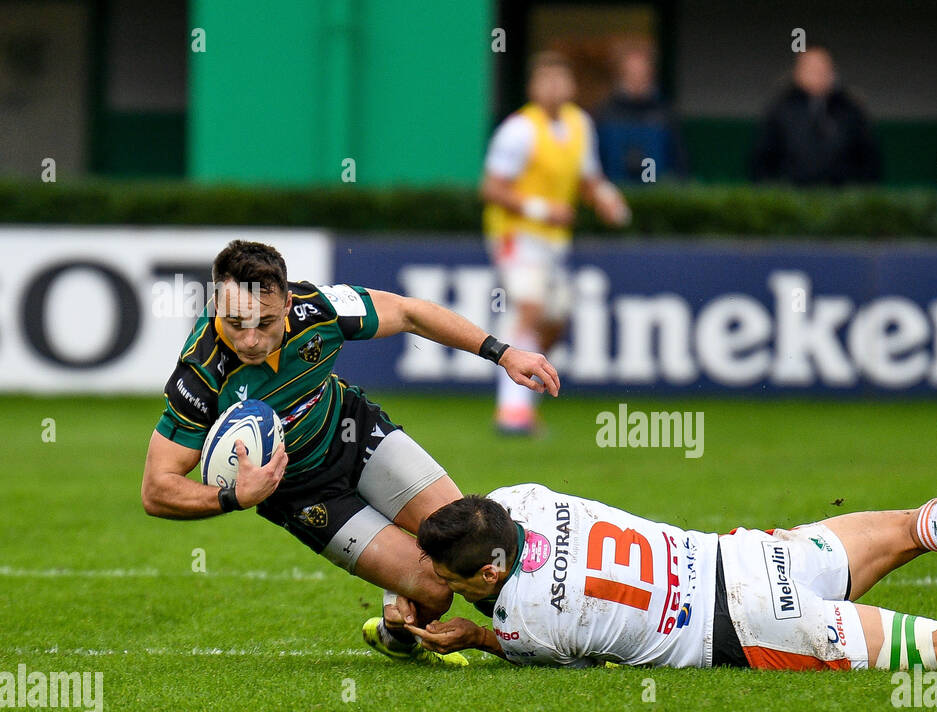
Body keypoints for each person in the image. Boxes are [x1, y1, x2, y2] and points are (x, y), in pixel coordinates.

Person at [140, 239, 559, 664]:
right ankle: (395, 634)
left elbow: (411, 313)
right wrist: (233, 497)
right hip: (305, 494)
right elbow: (156, 489)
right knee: (435, 590)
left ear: (287, 306)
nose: (249, 340)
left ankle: (562, 628)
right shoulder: (200, 375)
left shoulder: (318, 308)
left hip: (356, 433)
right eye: (234, 322)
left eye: (264, 323)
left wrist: (502, 353)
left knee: (470, 543)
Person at [387, 481, 937, 670]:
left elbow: (560, 657)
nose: (431, 574)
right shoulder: (523, 498)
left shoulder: (524, 624)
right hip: (753, 554)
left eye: (445, 570)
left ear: (492, 570)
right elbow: (481, 514)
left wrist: (467, 634)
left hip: (758, 628)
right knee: (913, 528)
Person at [481, 51, 630, 436]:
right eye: (546, 79)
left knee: (555, 321)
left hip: (554, 243)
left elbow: (588, 178)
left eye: (560, 79)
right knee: (528, 310)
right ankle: (510, 412)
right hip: (518, 235)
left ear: (572, 86)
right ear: (533, 87)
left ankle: (526, 401)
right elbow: (492, 188)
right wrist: (542, 209)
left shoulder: (580, 125)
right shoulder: (519, 129)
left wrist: (608, 200)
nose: (554, 87)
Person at [751, 46, 882, 186]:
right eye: (811, 69)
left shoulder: (850, 109)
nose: (818, 75)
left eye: (823, 69)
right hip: (793, 197)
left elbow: (868, 159)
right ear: (797, 73)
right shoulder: (780, 109)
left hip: (840, 197)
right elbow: (762, 159)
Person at [595, 44, 687, 183]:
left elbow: (679, 160)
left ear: (649, 74)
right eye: (632, 73)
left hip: (655, 195)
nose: (636, 78)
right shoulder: (604, 113)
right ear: (622, 74)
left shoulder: (664, 113)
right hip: (615, 194)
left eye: (641, 73)